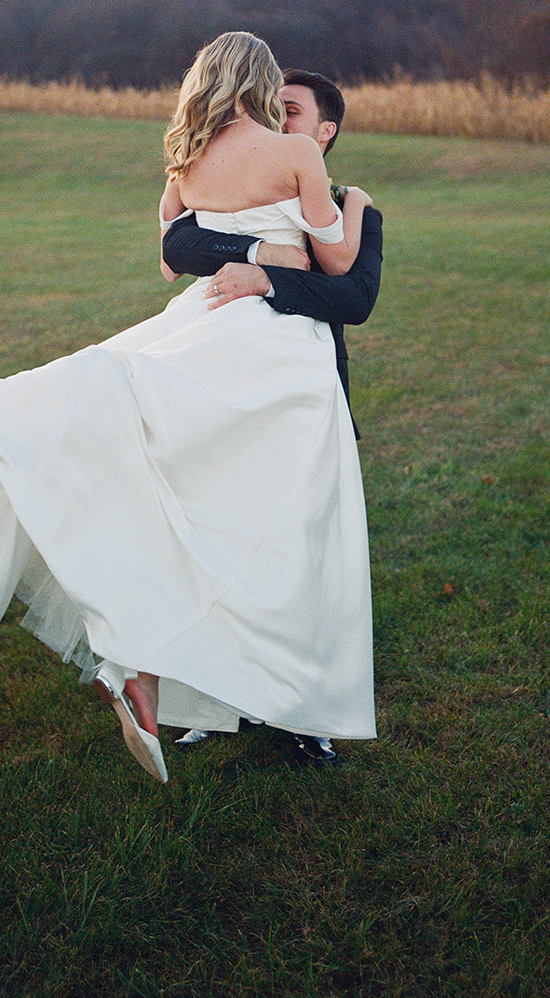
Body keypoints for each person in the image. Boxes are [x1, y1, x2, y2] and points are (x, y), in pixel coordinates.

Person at [0, 32, 376, 783]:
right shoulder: (299, 159)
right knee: (260, 520)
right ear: (260, 83)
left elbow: (169, 252)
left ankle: (152, 655)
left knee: (183, 496)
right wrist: (285, 248)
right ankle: (215, 674)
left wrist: (243, 254)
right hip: (276, 358)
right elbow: (339, 263)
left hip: (199, 327)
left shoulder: (185, 161)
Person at [161, 68, 383, 762]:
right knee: (219, 537)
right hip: (225, 391)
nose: (270, 119)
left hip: (303, 396)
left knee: (299, 555)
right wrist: (257, 253)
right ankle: (213, 695)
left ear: (324, 132)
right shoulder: (230, 175)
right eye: (268, 105)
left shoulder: (353, 208)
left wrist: (270, 280)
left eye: (288, 111)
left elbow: (353, 299)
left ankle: (300, 711)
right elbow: (183, 247)